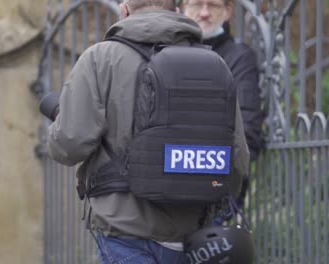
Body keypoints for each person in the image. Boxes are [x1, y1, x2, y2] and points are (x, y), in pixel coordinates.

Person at [45, 0, 250, 263]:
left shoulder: (99, 59)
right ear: (175, 12)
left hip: (124, 232)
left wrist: (60, 122)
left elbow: (69, 144)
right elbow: (238, 158)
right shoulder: (215, 64)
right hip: (193, 238)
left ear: (125, 10)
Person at [182, 0, 266, 161]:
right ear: (184, 8)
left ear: (228, 11)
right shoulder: (167, 54)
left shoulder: (240, 59)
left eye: (213, 5)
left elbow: (247, 133)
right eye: (197, 4)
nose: (204, 13)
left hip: (219, 175)